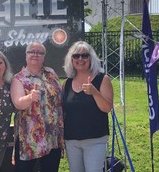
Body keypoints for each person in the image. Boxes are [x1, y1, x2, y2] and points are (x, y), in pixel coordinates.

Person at [10, 41, 64, 172]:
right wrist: (29, 97)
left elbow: (60, 97)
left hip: (52, 137)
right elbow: (18, 103)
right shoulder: (19, 78)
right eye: (32, 52)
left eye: (39, 53)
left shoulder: (51, 73)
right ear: (26, 55)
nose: (35, 55)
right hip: (29, 140)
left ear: (44, 56)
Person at [62, 41, 114, 172]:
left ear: (91, 58)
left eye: (84, 55)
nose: (80, 59)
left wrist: (95, 92)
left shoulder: (103, 79)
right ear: (71, 59)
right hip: (72, 140)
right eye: (76, 56)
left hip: (95, 140)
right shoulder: (66, 83)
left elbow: (107, 108)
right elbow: (63, 111)